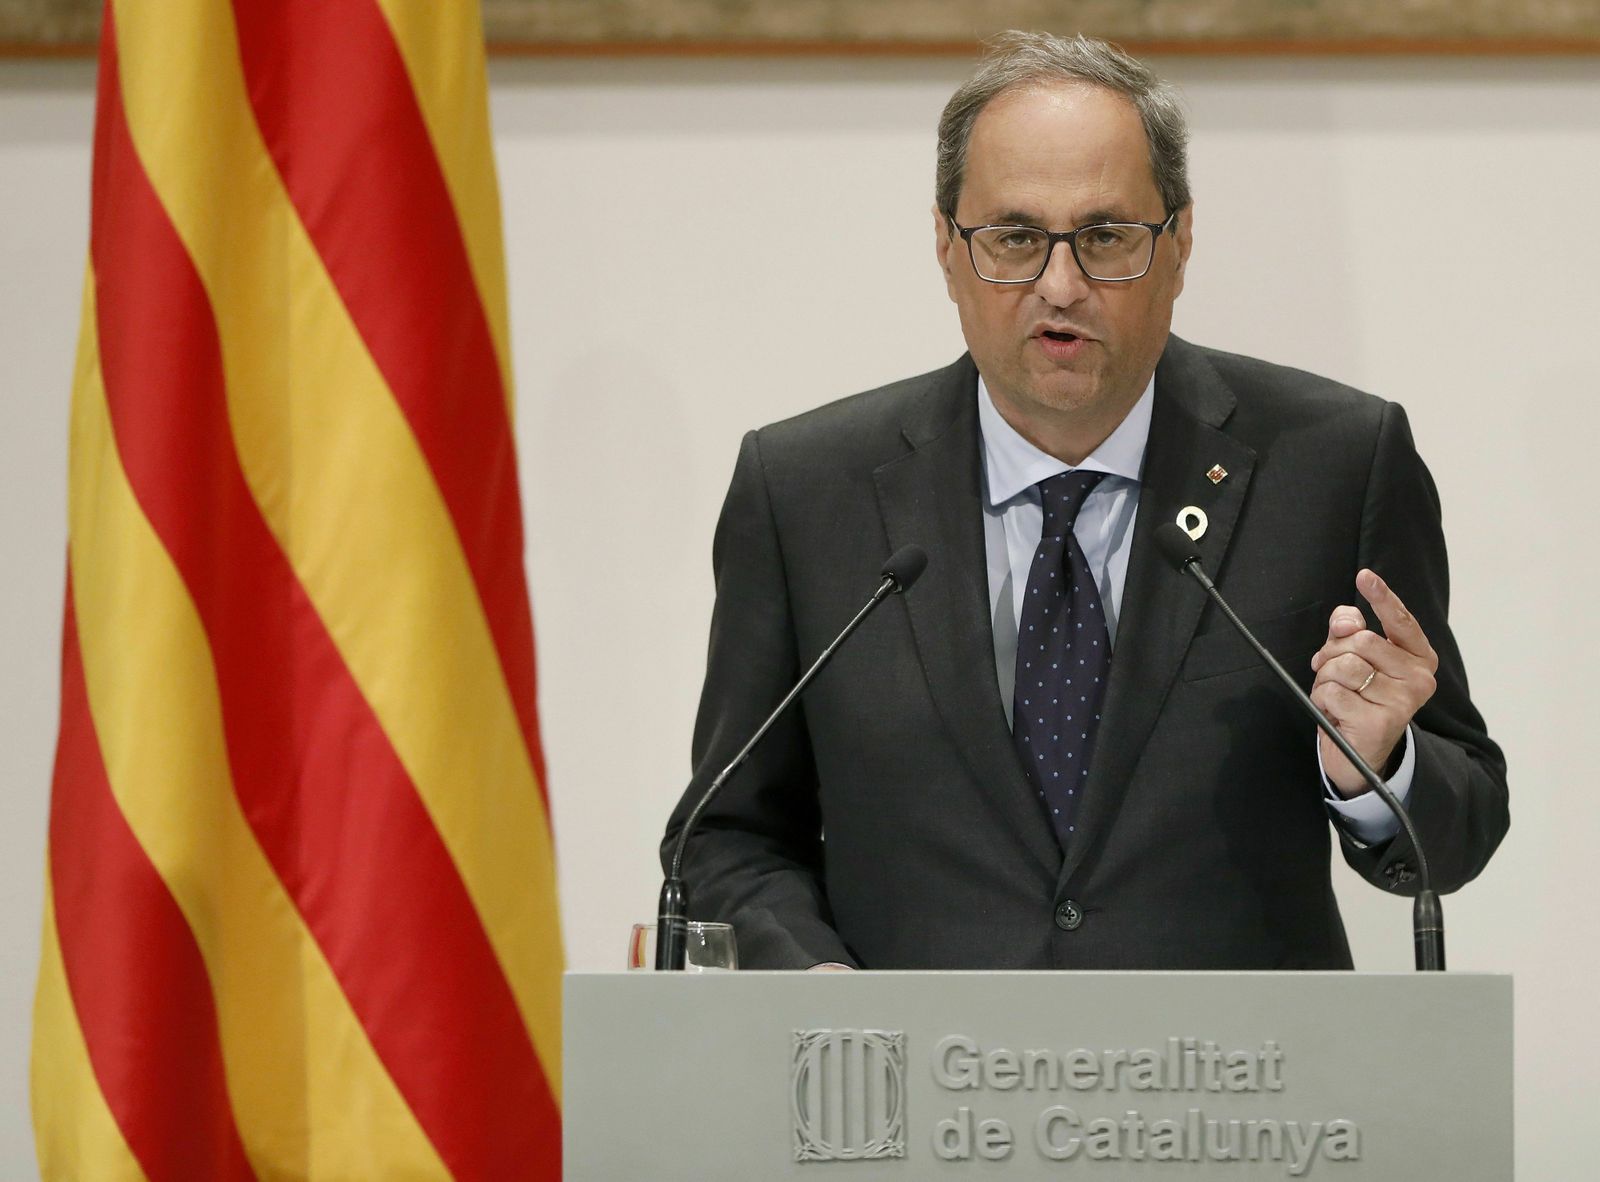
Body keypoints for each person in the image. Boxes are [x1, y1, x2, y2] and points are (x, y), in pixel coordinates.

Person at [662, 31, 1507, 971]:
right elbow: (723, 833)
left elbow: (1463, 826)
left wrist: (1377, 769)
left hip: (1237, 1096)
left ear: (1180, 243)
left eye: (1106, 237)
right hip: (914, 1092)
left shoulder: (1334, 463)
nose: (1060, 286)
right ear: (947, 249)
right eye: (1016, 239)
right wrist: (816, 986)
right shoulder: (805, 492)